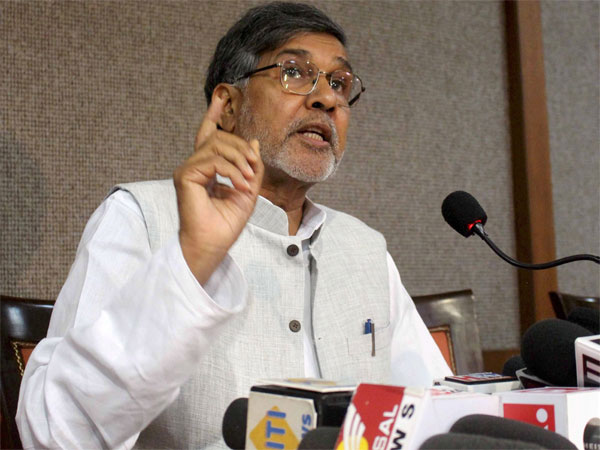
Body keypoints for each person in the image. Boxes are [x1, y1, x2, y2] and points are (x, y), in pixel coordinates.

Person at [17, 2, 451, 448]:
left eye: (338, 83)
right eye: (294, 72)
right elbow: (55, 434)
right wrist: (192, 260)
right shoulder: (140, 217)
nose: (326, 99)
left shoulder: (365, 249)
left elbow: (440, 413)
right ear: (228, 105)